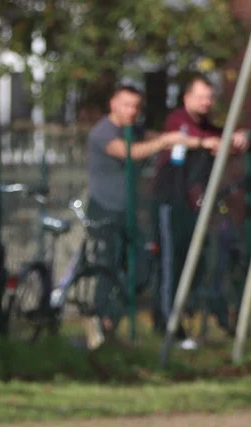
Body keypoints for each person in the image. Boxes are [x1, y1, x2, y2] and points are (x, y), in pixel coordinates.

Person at [84, 85, 188, 347]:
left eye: (136, 106)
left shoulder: (134, 130)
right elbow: (129, 152)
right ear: (113, 105)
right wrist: (166, 141)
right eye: (127, 105)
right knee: (108, 267)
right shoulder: (103, 132)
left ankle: (110, 320)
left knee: (141, 268)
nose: (132, 111)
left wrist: (191, 139)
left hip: (128, 213)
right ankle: (100, 325)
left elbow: (156, 137)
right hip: (105, 210)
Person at [152, 75, 251, 349]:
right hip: (171, 204)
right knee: (171, 264)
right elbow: (192, 139)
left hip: (194, 207)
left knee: (191, 263)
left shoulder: (207, 127)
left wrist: (239, 137)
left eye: (210, 97)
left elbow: (222, 139)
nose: (206, 102)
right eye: (201, 96)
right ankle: (170, 325)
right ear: (187, 98)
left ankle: (183, 318)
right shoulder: (178, 121)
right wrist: (213, 141)